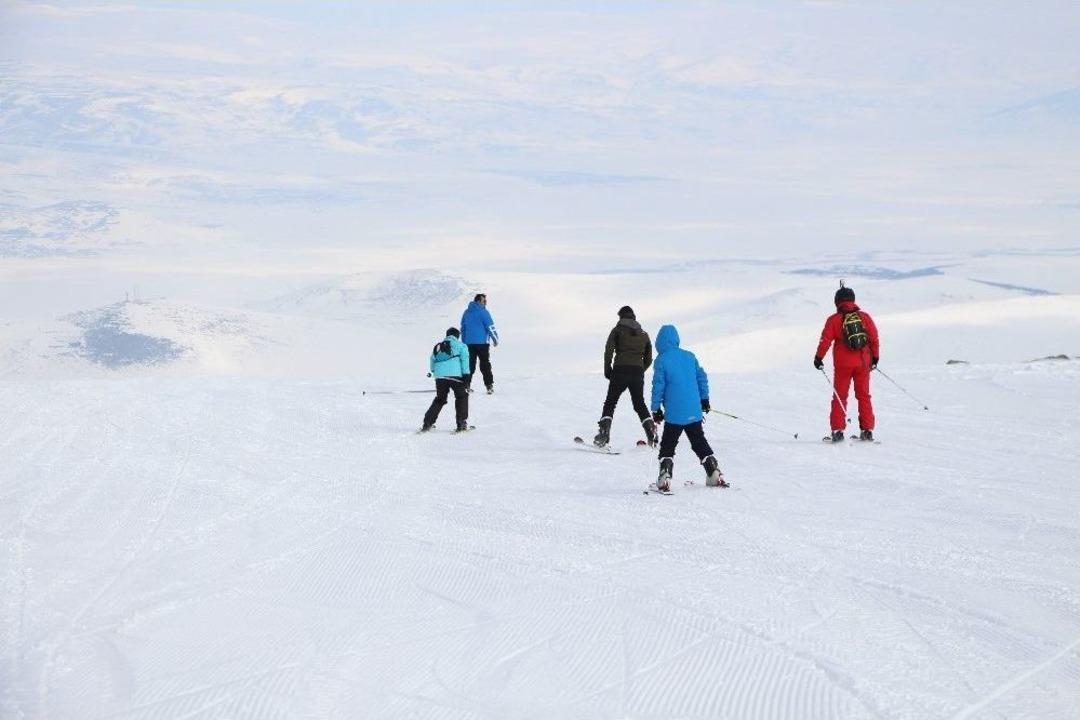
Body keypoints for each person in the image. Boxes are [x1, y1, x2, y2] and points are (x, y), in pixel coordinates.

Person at [650, 324, 725, 490]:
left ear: (659, 342)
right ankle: (713, 472)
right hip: (693, 411)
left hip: (675, 414)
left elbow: (658, 386)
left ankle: (665, 477)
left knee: (668, 445)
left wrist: (656, 409)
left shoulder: (661, 360)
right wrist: (704, 399)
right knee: (698, 441)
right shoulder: (690, 356)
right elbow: (702, 378)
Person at [814, 284, 880, 442]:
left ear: (837, 301)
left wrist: (818, 357)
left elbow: (826, 341)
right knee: (864, 396)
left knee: (839, 396)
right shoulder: (865, 317)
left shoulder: (834, 320)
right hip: (863, 363)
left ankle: (838, 431)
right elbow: (874, 338)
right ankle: (867, 430)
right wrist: (875, 358)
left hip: (843, 365)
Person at [593, 306, 658, 448]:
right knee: (639, 404)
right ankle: (651, 431)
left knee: (610, 402)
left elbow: (608, 351)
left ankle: (603, 434)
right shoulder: (644, 334)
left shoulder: (617, 330)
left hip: (620, 370)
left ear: (621, 317)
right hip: (637, 373)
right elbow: (649, 358)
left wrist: (608, 370)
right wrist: (640, 369)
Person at [420, 327, 471, 432]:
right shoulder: (461, 345)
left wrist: (435, 372)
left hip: (440, 377)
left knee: (440, 399)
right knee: (461, 396)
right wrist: (466, 375)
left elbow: (432, 361)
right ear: (457, 336)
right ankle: (461, 423)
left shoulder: (438, 346)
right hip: (456, 376)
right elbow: (465, 360)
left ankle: (427, 423)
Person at [460, 293, 498, 394]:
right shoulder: (483, 312)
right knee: (485, 364)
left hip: (469, 344)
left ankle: (466, 385)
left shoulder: (466, 312)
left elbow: (463, 328)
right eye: (483, 301)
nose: (485, 302)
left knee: (469, 365)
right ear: (478, 301)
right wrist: (495, 338)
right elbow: (490, 326)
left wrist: (464, 341)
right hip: (482, 344)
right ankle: (489, 386)